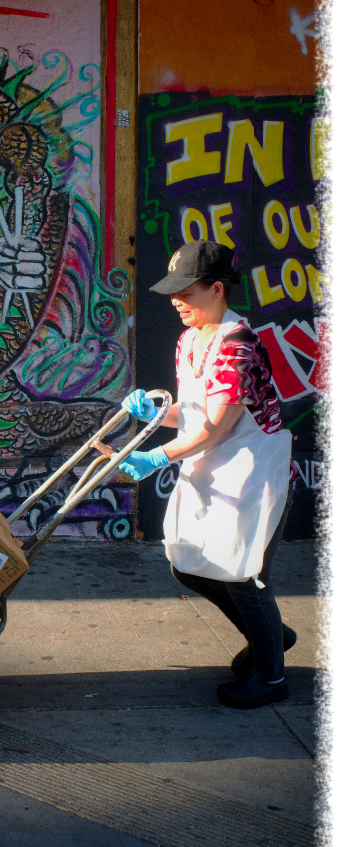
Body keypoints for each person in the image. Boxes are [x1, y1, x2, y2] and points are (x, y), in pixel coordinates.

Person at [119, 240, 297, 709]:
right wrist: (157, 413)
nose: (176, 301)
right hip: (215, 469)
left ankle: (271, 676)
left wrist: (158, 457)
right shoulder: (190, 338)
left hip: (253, 475)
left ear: (217, 289)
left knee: (243, 576)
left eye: (186, 292)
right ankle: (271, 637)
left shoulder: (237, 344)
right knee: (190, 568)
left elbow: (219, 426)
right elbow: (198, 414)